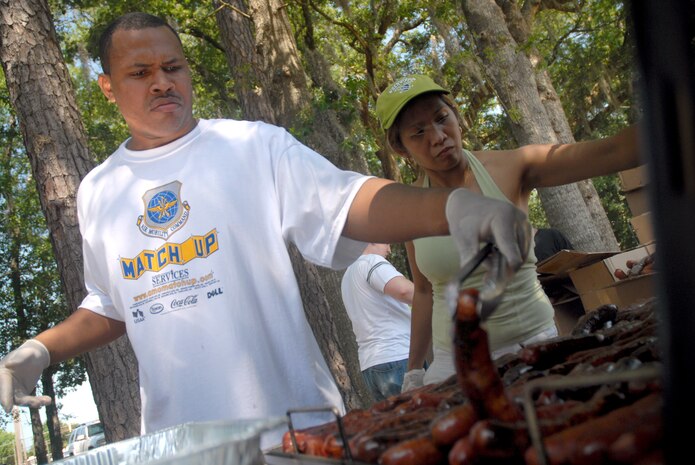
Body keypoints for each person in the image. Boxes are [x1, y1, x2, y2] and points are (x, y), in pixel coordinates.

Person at [0, 14, 532, 446]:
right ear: (108, 87)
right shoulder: (98, 190)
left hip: (297, 433)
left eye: (173, 67)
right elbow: (110, 305)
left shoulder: (254, 146)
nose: (162, 82)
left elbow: (349, 201)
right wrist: (39, 350)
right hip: (183, 445)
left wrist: (453, 208)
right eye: (140, 72)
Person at [373, 74, 641, 391]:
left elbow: (612, 152)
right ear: (402, 149)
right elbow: (423, 291)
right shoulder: (410, 208)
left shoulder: (510, 167)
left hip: (532, 347)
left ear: (456, 115)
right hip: (454, 364)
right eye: (418, 133)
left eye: (442, 118)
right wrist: (414, 371)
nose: (438, 136)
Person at [340, 243, 414, 401]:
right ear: (372, 240)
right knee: (424, 419)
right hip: (397, 356)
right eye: (386, 243)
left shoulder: (347, 275)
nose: (389, 250)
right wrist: (438, 294)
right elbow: (404, 291)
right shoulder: (372, 262)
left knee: (398, 424)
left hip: (370, 368)